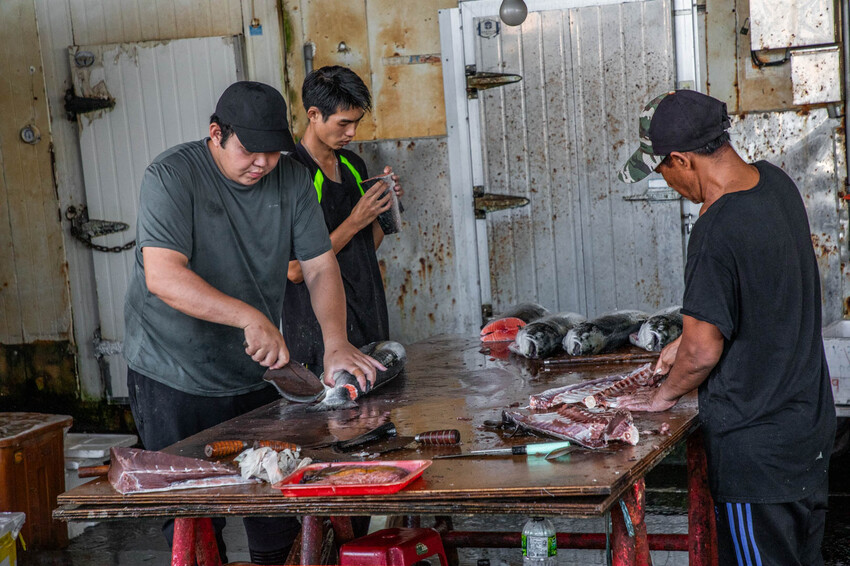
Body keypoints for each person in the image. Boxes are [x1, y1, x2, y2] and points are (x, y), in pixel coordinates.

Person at [123, 81, 383, 564]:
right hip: (171, 372)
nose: (261, 164)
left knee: (275, 502)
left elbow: (321, 264)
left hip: (254, 370)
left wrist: (336, 343)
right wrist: (248, 316)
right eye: (249, 151)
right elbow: (162, 274)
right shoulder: (172, 175)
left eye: (272, 152)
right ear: (216, 133)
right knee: (193, 512)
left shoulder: (290, 179)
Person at [617, 90, 836, 565]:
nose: (668, 182)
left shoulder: (716, 227)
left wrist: (661, 398)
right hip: (808, 433)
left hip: (756, 454)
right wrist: (685, 338)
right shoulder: (776, 184)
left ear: (680, 159)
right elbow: (765, 296)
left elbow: (702, 354)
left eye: (664, 171)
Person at [282, 65, 403, 379]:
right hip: (319, 334)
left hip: (369, 314)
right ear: (313, 114)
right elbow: (294, 270)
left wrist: (383, 207)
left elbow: (365, 248)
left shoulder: (353, 163)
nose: (352, 133)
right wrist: (354, 219)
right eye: (344, 123)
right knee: (334, 419)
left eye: (356, 123)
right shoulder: (292, 173)